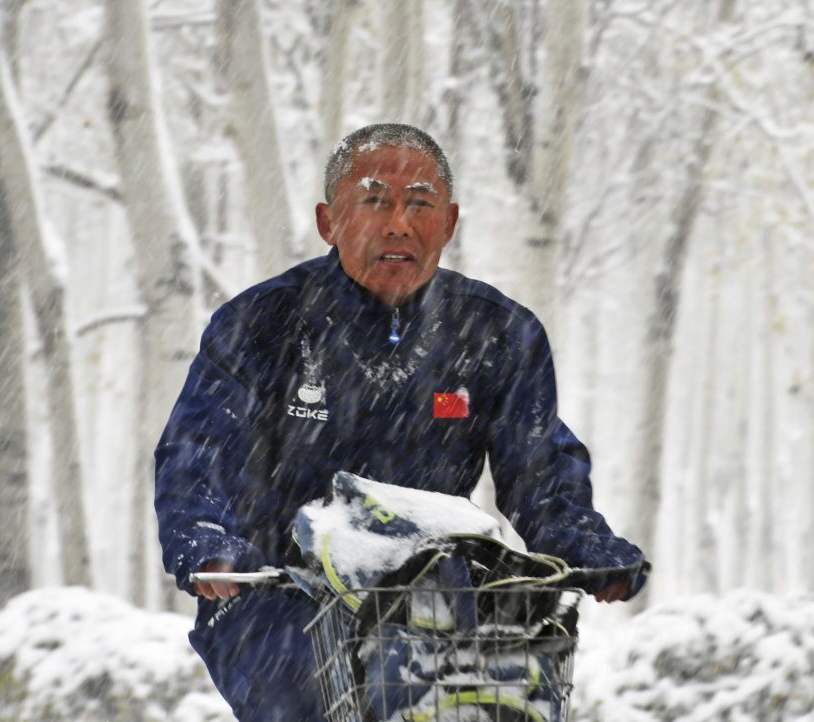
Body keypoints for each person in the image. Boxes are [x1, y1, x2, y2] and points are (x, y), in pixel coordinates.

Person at [154, 123, 646, 721]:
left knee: (506, 698)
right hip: (278, 601)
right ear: (327, 221)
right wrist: (205, 542)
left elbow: (541, 473)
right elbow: (194, 452)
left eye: (419, 203)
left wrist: (584, 544)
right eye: (373, 201)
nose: (397, 224)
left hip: (435, 603)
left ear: (449, 221)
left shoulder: (499, 333)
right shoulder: (259, 323)